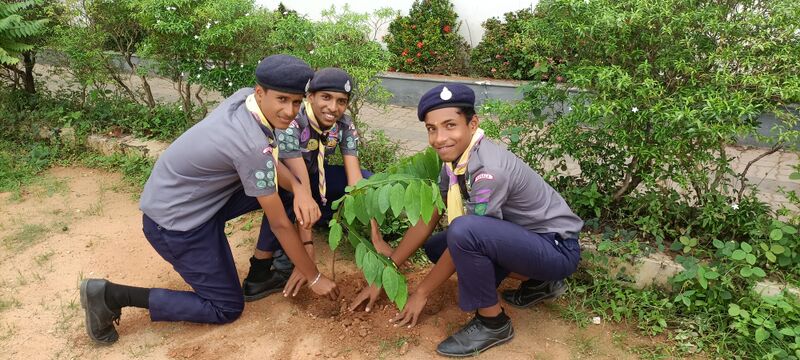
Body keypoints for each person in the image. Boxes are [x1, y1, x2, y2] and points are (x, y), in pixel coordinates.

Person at [79, 54, 339, 345]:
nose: (290, 111)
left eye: (295, 101)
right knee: (225, 307)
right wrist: (315, 277)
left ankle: (261, 272)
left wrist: (302, 189)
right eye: (282, 100)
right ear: (260, 92)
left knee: (290, 190)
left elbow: (265, 161)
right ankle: (111, 295)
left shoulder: (245, 101)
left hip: (201, 198)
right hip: (176, 223)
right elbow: (278, 220)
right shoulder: (249, 144)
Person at [349, 83, 583, 356]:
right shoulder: (455, 160)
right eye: (431, 129)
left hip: (557, 249)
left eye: (450, 125)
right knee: (438, 247)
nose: (439, 138)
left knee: (462, 232)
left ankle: (493, 322)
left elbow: (471, 233)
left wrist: (422, 292)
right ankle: (540, 283)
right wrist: (386, 271)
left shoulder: (488, 172)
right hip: (531, 241)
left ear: (472, 124)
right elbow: (431, 215)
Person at [243, 67, 384, 299]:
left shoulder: (344, 125)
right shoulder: (294, 122)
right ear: (311, 97)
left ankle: (323, 218)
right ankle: (264, 267)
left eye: (341, 101)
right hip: (282, 179)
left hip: (314, 177)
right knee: (287, 197)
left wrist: (375, 236)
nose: (333, 107)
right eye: (326, 97)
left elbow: (356, 180)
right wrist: (308, 248)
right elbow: (299, 181)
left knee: (368, 179)